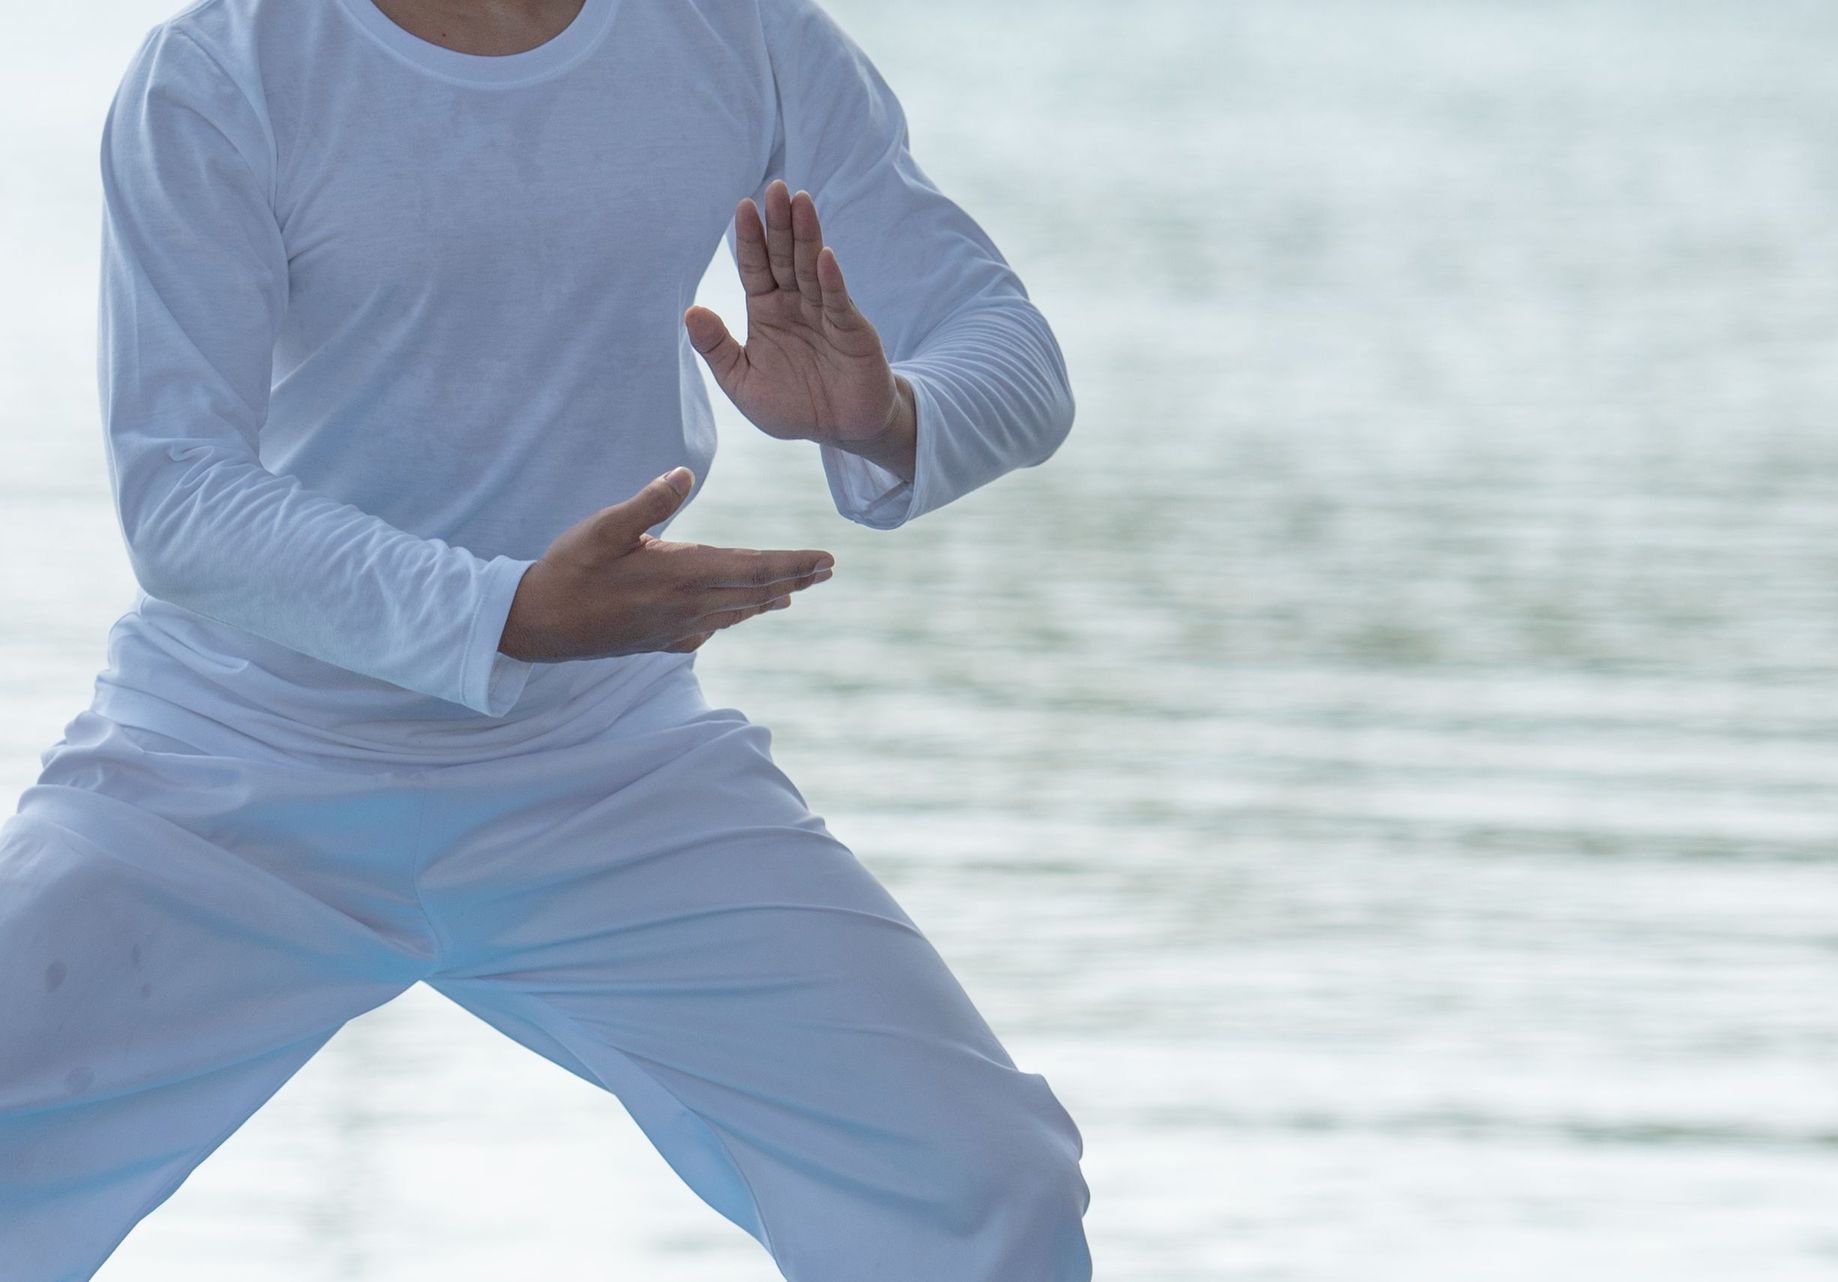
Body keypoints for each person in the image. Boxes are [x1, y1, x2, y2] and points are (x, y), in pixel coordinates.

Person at [0, 0, 1091, 1277]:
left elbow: (1016, 361)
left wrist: (886, 412)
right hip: (235, 764)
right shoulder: (225, 64)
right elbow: (180, 498)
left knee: (985, 1187)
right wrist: (504, 613)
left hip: (607, 773)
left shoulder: (743, 36)